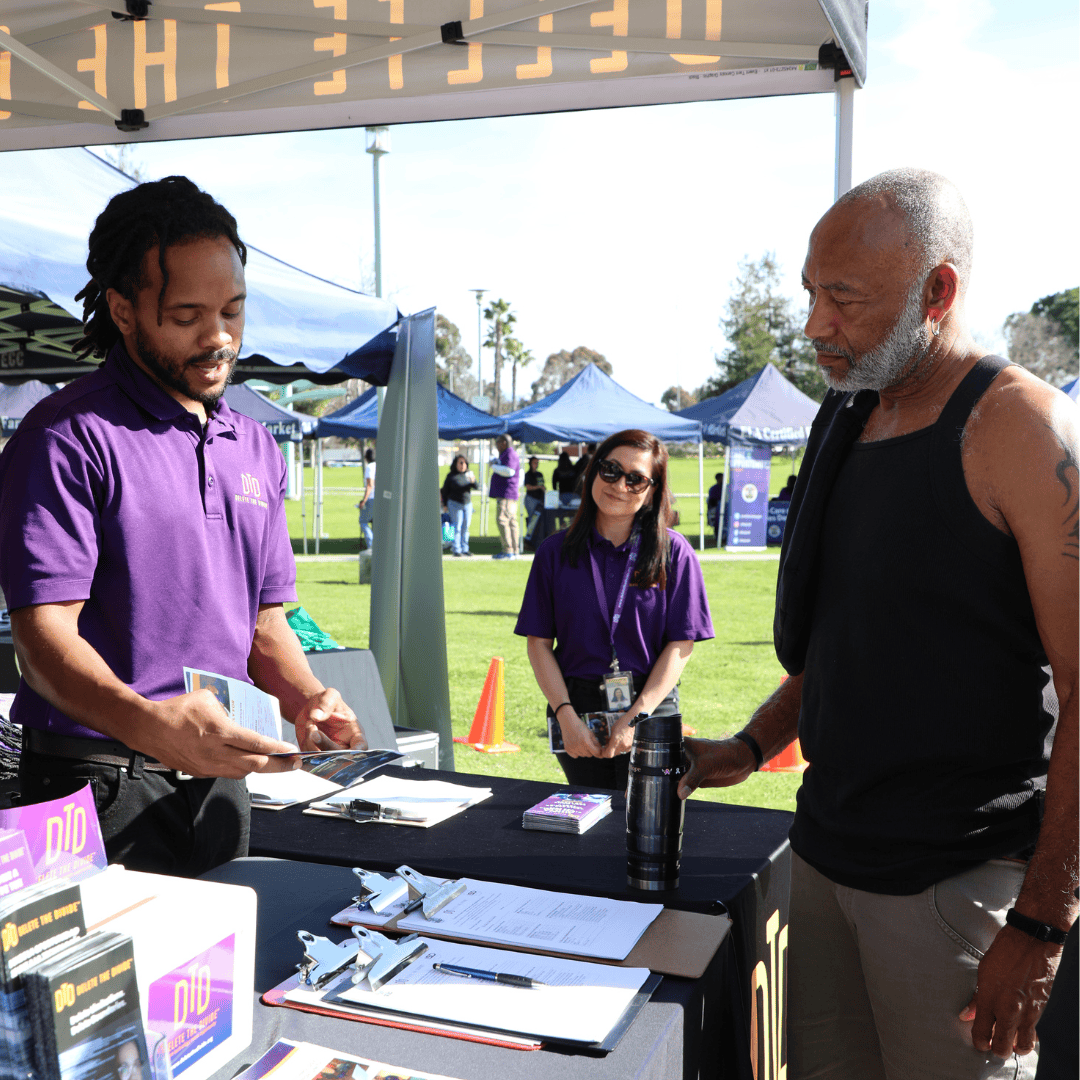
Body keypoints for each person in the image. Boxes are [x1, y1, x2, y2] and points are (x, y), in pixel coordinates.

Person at [678, 168, 1077, 1080]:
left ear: (937, 291)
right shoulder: (848, 415)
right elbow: (852, 636)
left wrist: (1044, 924)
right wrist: (747, 745)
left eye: (845, 297)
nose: (816, 323)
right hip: (821, 862)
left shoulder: (1021, 428)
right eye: (812, 293)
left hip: (955, 886)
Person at [0, 176, 366, 877]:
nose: (219, 336)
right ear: (123, 310)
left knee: (219, 985)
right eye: (188, 314)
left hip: (222, 780)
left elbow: (264, 625)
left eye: (233, 309)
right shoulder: (66, 436)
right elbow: (42, 641)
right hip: (93, 782)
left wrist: (305, 700)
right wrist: (153, 727)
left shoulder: (254, 444)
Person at [516, 429, 714, 790]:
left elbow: (681, 644)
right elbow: (538, 643)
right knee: (588, 824)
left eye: (636, 479)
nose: (619, 485)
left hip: (650, 707)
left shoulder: (676, 553)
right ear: (593, 471)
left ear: (652, 491)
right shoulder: (554, 552)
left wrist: (637, 716)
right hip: (576, 710)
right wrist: (566, 715)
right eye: (610, 470)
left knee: (649, 828)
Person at [488, 434, 520, 560]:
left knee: (503, 520)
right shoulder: (507, 454)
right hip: (509, 494)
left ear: (504, 443)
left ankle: (508, 550)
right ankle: (514, 550)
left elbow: (509, 471)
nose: (496, 445)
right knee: (511, 522)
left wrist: (493, 466)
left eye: (497, 442)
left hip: (506, 494)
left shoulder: (509, 453)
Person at [441, 454, 477, 557]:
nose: (462, 465)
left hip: (467, 504)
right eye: (460, 463)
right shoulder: (451, 476)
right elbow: (445, 491)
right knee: (456, 526)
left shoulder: (468, 475)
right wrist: (444, 504)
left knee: (466, 527)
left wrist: (473, 481)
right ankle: (456, 549)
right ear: (455, 464)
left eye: (464, 463)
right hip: (455, 504)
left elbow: (476, 486)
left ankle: (465, 548)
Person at [522, 455, 546, 544]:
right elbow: (528, 487)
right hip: (531, 499)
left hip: (539, 499)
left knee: (538, 519)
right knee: (532, 518)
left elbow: (542, 485)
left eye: (537, 463)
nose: (536, 464)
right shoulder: (528, 475)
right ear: (530, 463)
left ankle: (535, 537)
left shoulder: (539, 474)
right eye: (534, 463)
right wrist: (538, 487)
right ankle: (529, 539)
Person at [359, 447, 376, 550]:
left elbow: (370, 485)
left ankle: (371, 546)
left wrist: (364, 501)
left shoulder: (370, 467)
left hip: (372, 498)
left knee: (363, 521)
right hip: (381, 499)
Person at [706, 471, 724, 544]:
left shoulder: (726, 487)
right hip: (716, 509)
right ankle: (717, 537)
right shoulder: (713, 489)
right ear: (718, 479)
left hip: (724, 508)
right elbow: (712, 501)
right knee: (717, 523)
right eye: (722, 478)